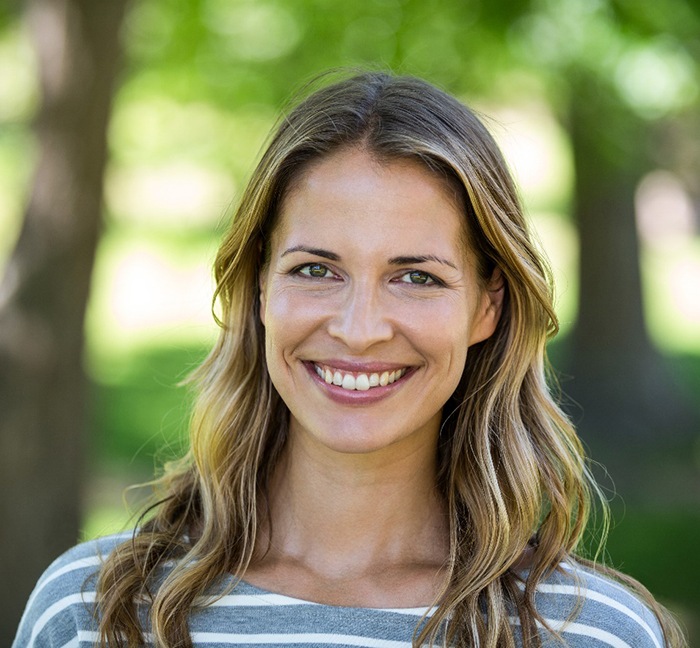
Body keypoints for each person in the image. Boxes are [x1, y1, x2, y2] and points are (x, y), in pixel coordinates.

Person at [13, 71, 686, 648]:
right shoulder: (92, 612)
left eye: (416, 277)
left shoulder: (591, 633)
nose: (359, 330)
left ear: (487, 307)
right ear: (259, 289)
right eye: (315, 269)